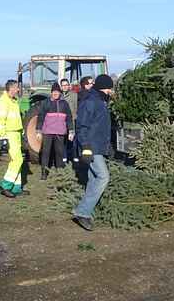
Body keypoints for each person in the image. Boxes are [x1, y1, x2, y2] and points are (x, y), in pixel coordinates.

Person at [72, 74, 114, 231]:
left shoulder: (101, 101)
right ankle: (82, 211)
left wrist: (106, 145)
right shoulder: (91, 101)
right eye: (110, 88)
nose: (111, 91)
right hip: (91, 146)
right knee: (103, 177)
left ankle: (87, 211)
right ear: (104, 87)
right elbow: (82, 125)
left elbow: (100, 126)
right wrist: (86, 146)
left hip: (98, 145)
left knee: (93, 178)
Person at [0, 79, 27, 198]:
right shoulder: (3, 102)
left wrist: (22, 132)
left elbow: (16, 118)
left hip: (16, 133)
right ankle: (5, 185)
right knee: (17, 160)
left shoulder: (14, 101)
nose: (18, 90)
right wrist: (3, 137)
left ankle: (16, 187)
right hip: (9, 134)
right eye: (16, 88)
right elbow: (0, 121)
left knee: (18, 160)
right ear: (11, 88)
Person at [36, 82, 74, 180]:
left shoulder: (64, 103)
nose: (55, 93)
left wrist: (71, 131)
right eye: (53, 92)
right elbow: (40, 117)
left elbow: (69, 117)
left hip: (60, 132)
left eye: (57, 92)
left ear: (60, 93)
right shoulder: (46, 103)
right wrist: (39, 131)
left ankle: (60, 172)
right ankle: (44, 173)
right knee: (46, 152)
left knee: (59, 152)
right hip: (48, 131)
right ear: (51, 92)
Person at [60, 78, 77, 163]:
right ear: (61, 86)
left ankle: (74, 156)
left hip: (71, 121)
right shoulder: (59, 96)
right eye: (63, 85)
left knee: (72, 139)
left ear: (69, 85)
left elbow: (76, 108)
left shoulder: (74, 95)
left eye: (66, 85)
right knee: (63, 140)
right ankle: (64, 156)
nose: (65, 87)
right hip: (61, 122)